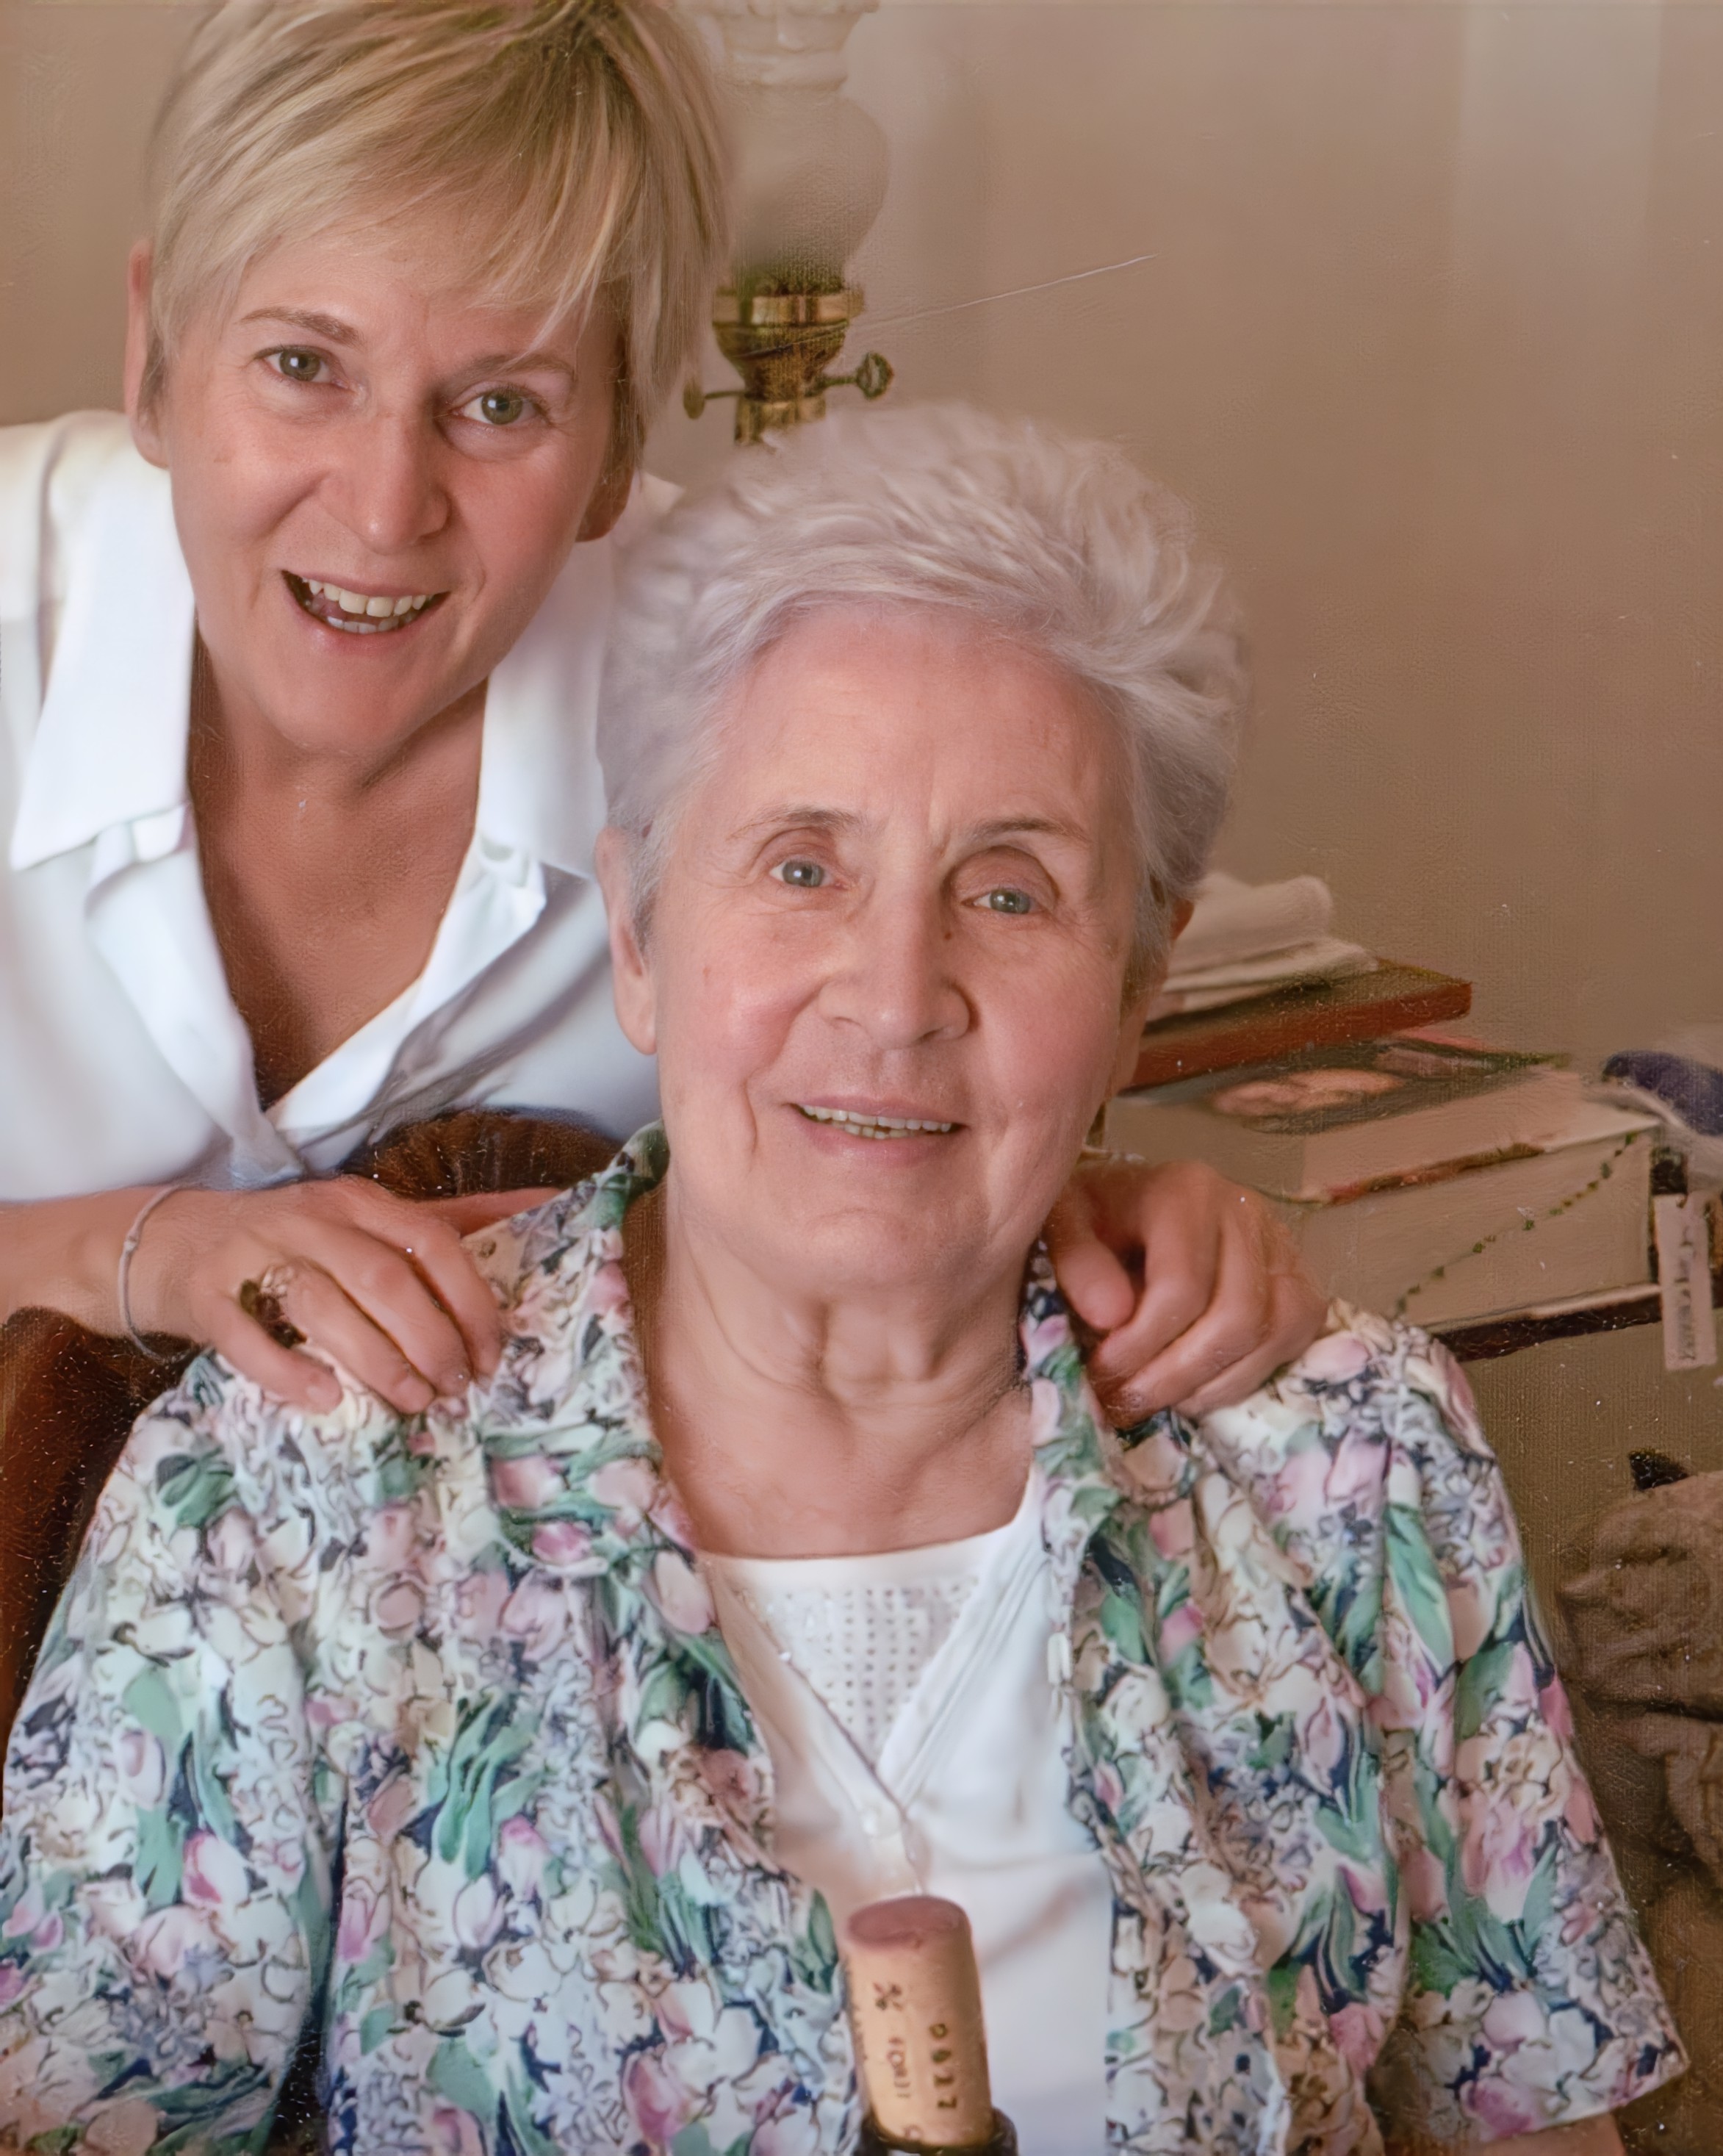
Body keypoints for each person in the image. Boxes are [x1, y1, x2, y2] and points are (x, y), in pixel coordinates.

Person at [0, 407, 1679, 2156]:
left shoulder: (1351, 1462)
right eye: (802, 867)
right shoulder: (292, 1495)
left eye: (1009, 894)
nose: (893, 997)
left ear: (1137, 991)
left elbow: (1531, 2122)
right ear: (639, 934)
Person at [0, 0, 1320, 1433]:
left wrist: (1119, 1212)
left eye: (501, 406)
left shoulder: (756, 687)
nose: (385, 510)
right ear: (154, 354)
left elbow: (939, 1044)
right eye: (304, 368)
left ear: (622, 442)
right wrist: (144, 1251)